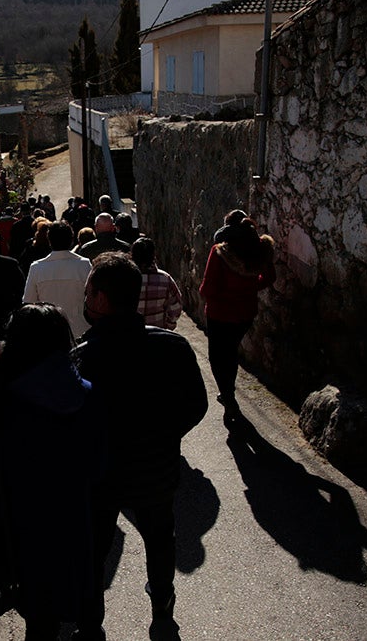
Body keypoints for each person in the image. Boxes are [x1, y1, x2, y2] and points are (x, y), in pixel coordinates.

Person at [72, 253, 208, 641]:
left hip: (101, 476)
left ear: (100, 300)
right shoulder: (174, 348)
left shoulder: (82, 358)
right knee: (160, 540)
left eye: (88, 291)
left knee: (95, 549)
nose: (85, 298)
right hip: (156, 468)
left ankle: (90, 623)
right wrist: (165, 435)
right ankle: (162, 612)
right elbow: (196, 405)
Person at [0, 304, 104, 640]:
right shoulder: (84, 394)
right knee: (45, 620)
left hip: (1, 522)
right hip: (65, 524)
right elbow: (98, 463)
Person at [198, 217, 275, 410]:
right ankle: (228, 391)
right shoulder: (259, 248)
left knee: (217, 356)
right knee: (231, 351)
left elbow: (207, 289)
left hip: (219, 313)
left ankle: (227, 393)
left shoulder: (220, 252)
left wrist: (224, 294)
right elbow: (269, 277)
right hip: (245, 313)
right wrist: (249, 288)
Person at [23, 221, 92, 339]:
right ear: (71, 240)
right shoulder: (84, 265)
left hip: (48, 332)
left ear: (49, 241)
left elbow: (29, 301)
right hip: (81, 330)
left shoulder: (37, 268)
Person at [131, 237, 183, 331]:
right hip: (157, 334)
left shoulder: (123, 279)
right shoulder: (165, 279)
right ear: (153, 255)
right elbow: (176, 307)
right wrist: (169, 324)